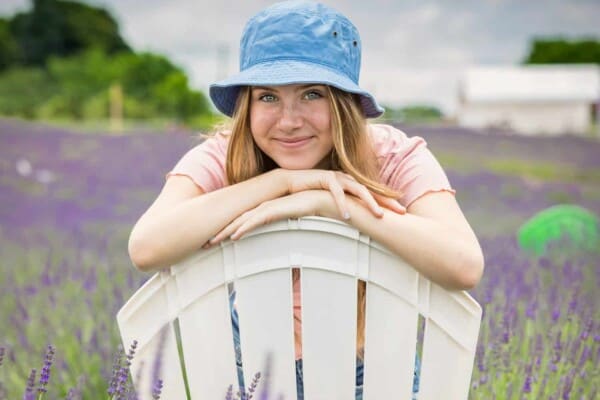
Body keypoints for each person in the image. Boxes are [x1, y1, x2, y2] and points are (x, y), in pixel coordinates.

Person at [127, 1, 484, 399]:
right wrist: (281, 183)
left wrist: (334, 205)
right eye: (268, 97)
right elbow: (146, 246)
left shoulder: (392, 155)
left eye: (311, 94)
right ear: (247, 104)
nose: (289, 120)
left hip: (376, 371)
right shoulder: (225, 154)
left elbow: (464, 264)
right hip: (250, 374)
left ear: (344, 104)